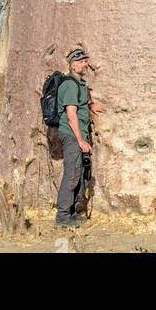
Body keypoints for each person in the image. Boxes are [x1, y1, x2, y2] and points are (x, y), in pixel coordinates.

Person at [55, 47, 105, 228]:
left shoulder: (79, 84)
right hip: (71, 135)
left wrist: (91, 105)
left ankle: (72, 213)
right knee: (72, 174)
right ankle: (62, 216)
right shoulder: (69, 84)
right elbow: (71, 114)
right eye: (82, 62)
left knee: (80, 173)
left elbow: (80, 104)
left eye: (85, 61)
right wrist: (80, 140)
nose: (85, 64)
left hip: (79, 134)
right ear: (72, 66)